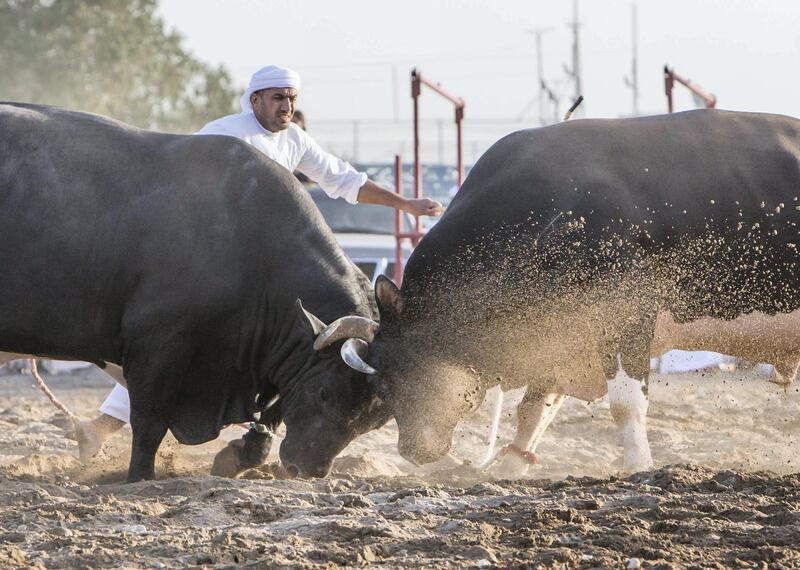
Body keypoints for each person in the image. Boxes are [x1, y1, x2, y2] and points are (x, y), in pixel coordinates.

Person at [75, 65, 443, 459]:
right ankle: (106, 427)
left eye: (291, 99)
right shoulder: (223, 135)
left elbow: (344, 180)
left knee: (292, 350)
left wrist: (403, 204)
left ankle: (258, 433)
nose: (286, 106)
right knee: (178, 341)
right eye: (278, 98)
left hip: (266, 276)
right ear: (255, 101)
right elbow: (171, 183)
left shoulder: (295, 140)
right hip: (210, 264)